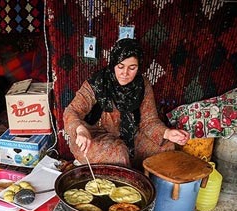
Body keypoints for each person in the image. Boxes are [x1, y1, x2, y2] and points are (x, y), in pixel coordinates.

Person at [63, 38, 189, 169]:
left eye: (132, 68)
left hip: (130, 136)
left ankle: (147, 182)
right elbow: (71, 111)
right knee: (118, 154)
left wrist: (167, 133)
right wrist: (80, 130)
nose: (125, 73)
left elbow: (149, 121)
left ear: (139, 66)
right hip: (93, 137)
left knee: (167, 146)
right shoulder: (97, 83)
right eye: (120, 66)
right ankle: (124, 183)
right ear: (113, 64)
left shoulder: (142, 85)